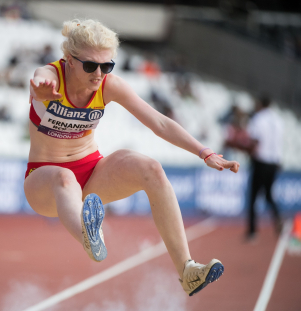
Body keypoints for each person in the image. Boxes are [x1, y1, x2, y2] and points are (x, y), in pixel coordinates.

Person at [24, 19, 240, 297]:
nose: (98, 74)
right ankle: (90, 237)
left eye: (107, 65)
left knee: (150, 168)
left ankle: (187, 270)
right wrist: (39, 92)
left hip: (90, 173)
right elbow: (40, 80)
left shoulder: (108, 86)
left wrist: (204, 152)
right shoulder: (51, 76)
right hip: (45, 180)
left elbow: (159, 123)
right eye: (90, 66)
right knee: (64, 178)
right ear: (69, 60)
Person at [245, 96, 283, 240]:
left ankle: (252, 230)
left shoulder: (258, 119)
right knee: (268, 194)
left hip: (261, 161)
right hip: (274, 162)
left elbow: (255, 141)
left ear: (260, 104)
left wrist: (247, 151)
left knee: (253, 196)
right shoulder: (279, 120)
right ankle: (278, 216)